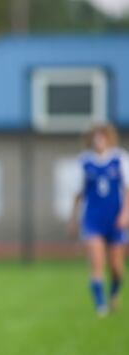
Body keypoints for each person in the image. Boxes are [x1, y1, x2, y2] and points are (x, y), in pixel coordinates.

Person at [69, 123, 128, 317]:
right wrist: (73, 218)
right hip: (93, 219)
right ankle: (100, 306)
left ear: (108, 138)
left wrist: (125, 213)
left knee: (117, 268)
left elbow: (127, 190)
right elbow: (79, 193)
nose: (98, 141)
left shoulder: (119, 159)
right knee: (97, 262)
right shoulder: (84, 162)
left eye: (102, 136)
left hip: (115, 220)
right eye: (95, 137)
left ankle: (113, 293)